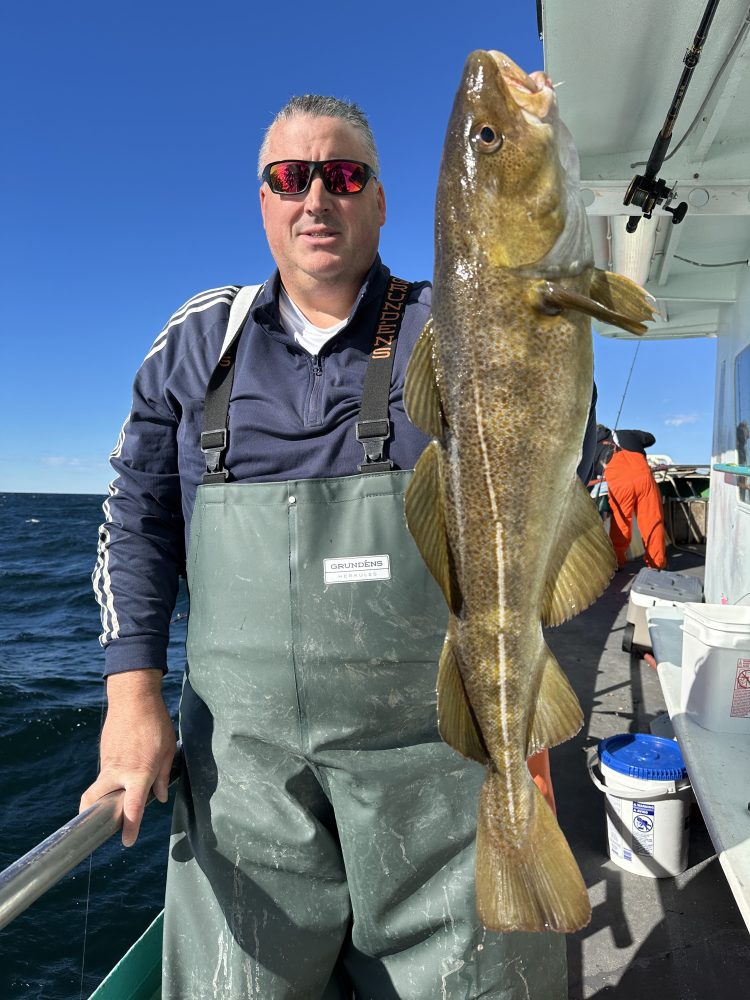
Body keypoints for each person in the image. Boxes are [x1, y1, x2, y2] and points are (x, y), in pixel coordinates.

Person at [81, 93, 596, 999]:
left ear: (383, 200)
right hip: (245, 774)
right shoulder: (203, 335)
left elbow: (545, 465)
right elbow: (137, 511)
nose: (316, 198)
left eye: (344, 174)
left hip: (435, 762)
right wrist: (133, 696)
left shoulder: (456, 323)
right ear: (265, 201)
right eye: (290, 177)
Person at [594, 424, 667, 570]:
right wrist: (635, 438)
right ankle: (657, 564)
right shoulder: (627, 433)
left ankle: (617, 562)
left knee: (621, 525)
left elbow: (587, 475)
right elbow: (650, 438)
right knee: (653, 522)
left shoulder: (591, 449)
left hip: (619, 487)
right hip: (645, 480)